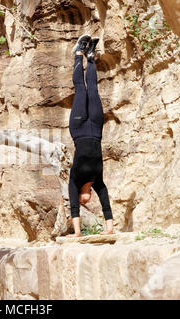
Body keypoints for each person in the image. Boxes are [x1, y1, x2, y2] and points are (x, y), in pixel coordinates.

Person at [67, 34, 114, 237]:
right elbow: (106, 206)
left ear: (79, 197)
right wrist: (109, 229)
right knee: (93, 91)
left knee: (81, 90)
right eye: (88, 201)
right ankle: (91, 56)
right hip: (95, 130)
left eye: (82, 202)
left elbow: (74, 210)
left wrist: (77, 234)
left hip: (78, 129)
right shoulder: (99, 182)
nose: (87, 202)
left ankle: (78, 53)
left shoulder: (74, 181)